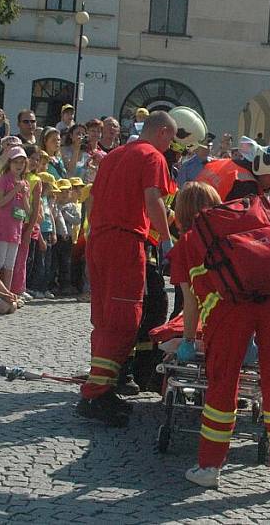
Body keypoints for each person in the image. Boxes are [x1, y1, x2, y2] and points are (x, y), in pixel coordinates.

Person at [170, 143, 270, 492]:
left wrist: (187, 342)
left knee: (222, 385)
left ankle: (210, 467)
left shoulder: (190, 239)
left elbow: (189, 300)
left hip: (230, 309)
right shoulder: (258, 211)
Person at [75, 111, 177, 427]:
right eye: (171, 138)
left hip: (99, 239)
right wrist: (168, 242)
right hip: (124, 241)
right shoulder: (152, 157)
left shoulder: (115, 155)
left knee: (104, 317)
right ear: (161, 132)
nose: (170, 145)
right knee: (123, 317)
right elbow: (153, 201)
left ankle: (104, 384)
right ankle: (95, 394)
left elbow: (92, 200)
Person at [0, 146, 30, 290]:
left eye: (22, 162)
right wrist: (15, 190)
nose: (19, 166)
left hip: (16, 228)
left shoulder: (24, 182)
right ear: (10, 163)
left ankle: (7, 291)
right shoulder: (4, 179)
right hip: (3, 226)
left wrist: (25, 194)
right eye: (16, 162)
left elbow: (27, 210)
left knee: (10, 264)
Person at [10, 144, 43, 302]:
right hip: (14, 221)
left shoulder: (36, 180)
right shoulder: (18, 177)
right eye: (32, 159)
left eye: (38, 160)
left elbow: (36, 207)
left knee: (22, 257)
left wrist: (31, 228)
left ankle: (19, 288)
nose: (35, 162)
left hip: (27, 222)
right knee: (12, 256)